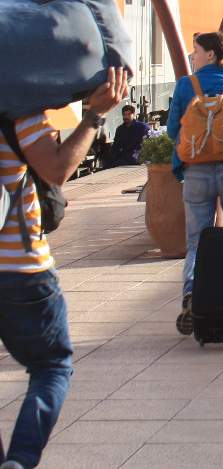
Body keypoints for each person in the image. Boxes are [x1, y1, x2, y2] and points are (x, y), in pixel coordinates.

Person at [0, 68, 127, 469]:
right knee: (52, 366)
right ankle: (19, 461)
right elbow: (55, 170)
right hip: (20, 270)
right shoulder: (19, 110)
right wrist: (93, 116)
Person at [166, 31, 223, 335]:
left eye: (195, 51)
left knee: (196, 241)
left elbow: (170, 131)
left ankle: (192, 294)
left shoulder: (185, 86)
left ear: (209, 55)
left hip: (195, 173)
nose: (192, 57)